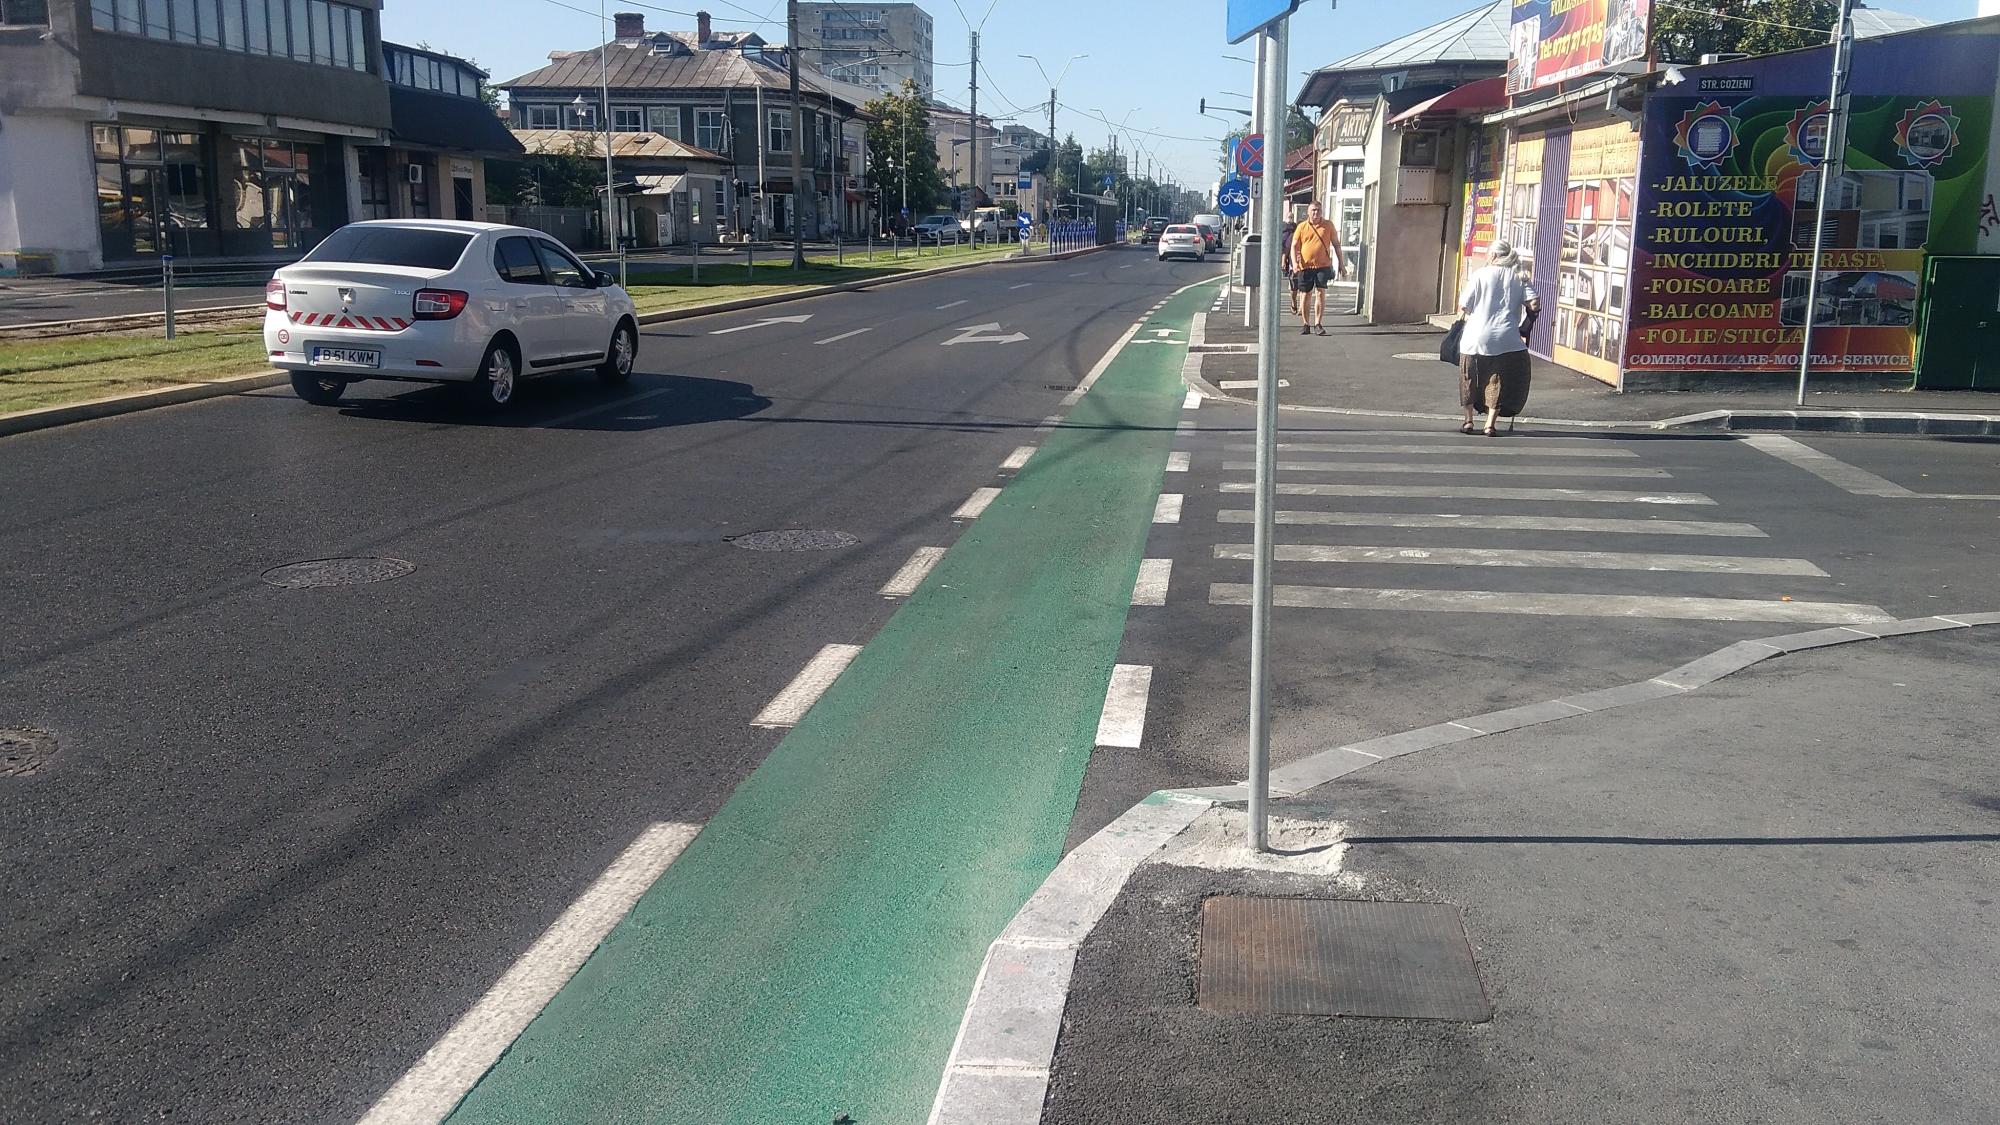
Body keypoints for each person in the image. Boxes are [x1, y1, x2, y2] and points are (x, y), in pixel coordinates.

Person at [1457, 241, 1539, 436]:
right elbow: (1535, 304)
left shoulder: (1480, 275)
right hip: (1506, 337)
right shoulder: (1519, 276)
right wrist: (1527, 323)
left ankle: (1468, 421)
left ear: (1493, 255)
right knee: (1496, 381)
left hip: (1475, 336)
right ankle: (1490, 424)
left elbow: (1464, 306)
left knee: (1468, 377)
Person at [1288, 202, 1344, 336]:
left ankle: (1318, 323)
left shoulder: (1328, 225)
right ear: (1308, 212)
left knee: (1320, 292)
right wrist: (1294, 263)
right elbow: (1294, 246)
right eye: (1313, 210)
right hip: (1305, 266)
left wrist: (1341, 264)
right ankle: (1306, 324)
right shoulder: (1302, 227)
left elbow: (1336, 244)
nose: (1316, 213)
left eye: (1318, 210)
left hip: (1323, 266)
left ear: (1321, 211)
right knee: (1305, 294)